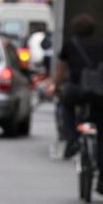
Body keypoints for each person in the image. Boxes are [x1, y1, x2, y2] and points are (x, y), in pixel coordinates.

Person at [53, 13, 103, 178]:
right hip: (97, 93)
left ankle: (72, 138)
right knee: (100, 127)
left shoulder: (70, 45)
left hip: (76, 90)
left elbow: (62, 69)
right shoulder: (99, 45)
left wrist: (56, 87)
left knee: (65, 105)